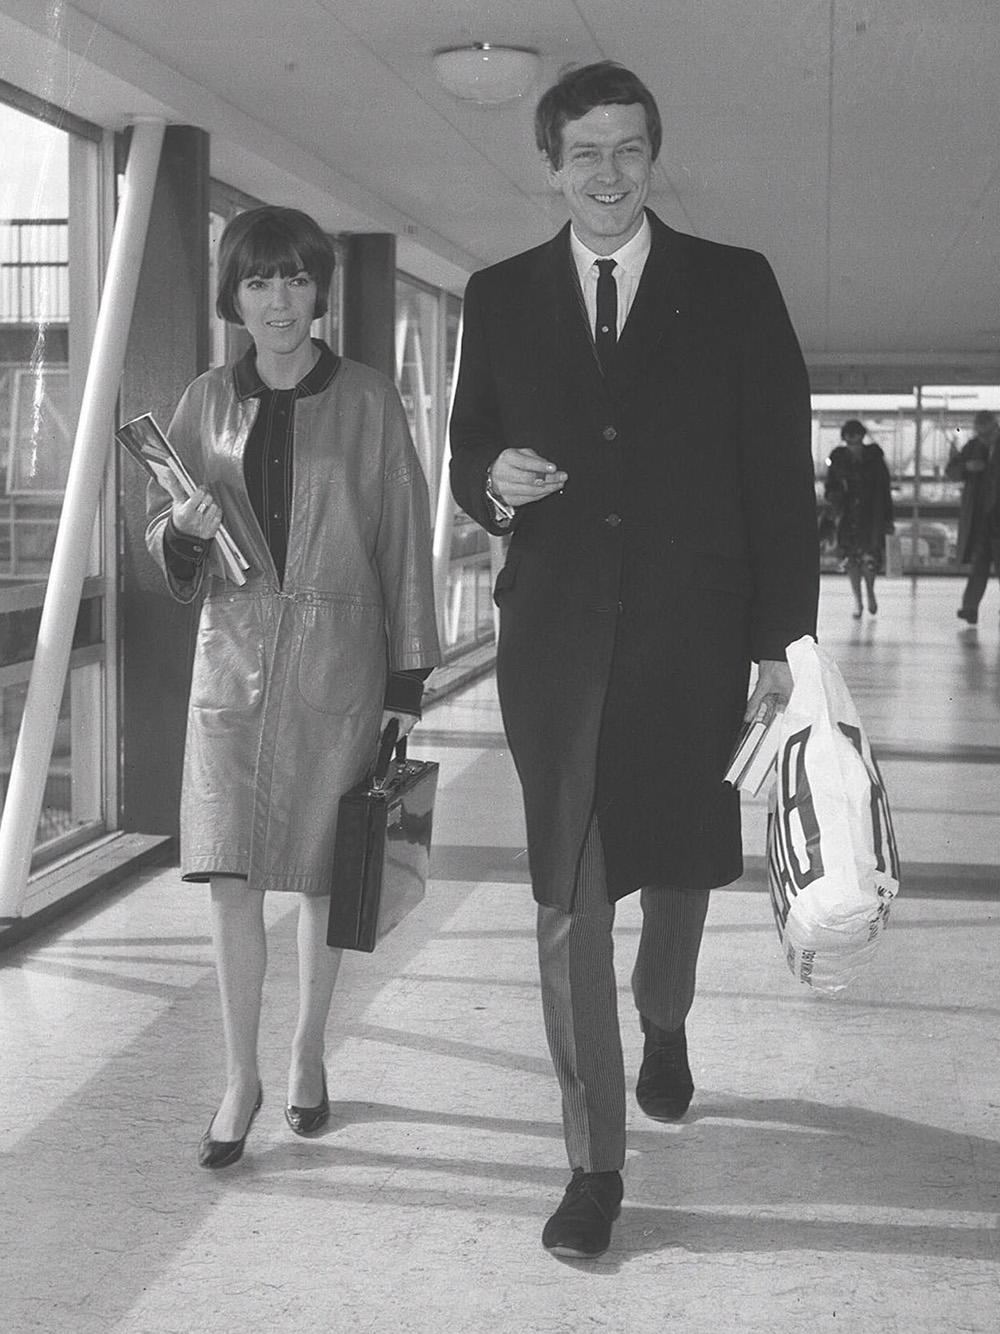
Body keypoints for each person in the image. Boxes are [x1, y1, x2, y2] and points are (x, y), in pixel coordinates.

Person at [450, 62, 819, 1258]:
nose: (607, 175)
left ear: (652, 157)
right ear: (548, 165)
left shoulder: (732, 284)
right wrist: (492, 486)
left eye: (628, 150)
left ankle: (664, 1018)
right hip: (555, 642)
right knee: (567, 896)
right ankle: (592, 1165)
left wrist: (783, 642)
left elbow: (776, 474)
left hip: (690, 639)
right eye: (584, 153)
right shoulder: (498, 294)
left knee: (675, 864)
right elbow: (470, 447)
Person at [145, 206, 440, 1168]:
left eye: (297, 280)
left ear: (321, 291)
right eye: (260, 281)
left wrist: (407, 675)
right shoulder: (203, 400)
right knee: (227, 875)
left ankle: (308, 1054)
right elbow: (169, 541)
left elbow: (402, 533)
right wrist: (181, 530)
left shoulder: (366, 400)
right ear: (234, 295)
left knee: (320, 871)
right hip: (230, 660)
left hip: (335, 662)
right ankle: (241, 1078)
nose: (279, 301)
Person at [823, 419, 895, 617]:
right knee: (853, 559)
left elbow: (884, 488)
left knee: (866, 558)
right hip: (853, 517)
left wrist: (887, 519)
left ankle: (868, 594)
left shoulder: (873, 460)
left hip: (868, 516)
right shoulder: (841, 461)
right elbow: (830, 489)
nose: (852, 442)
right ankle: (859, 599)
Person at [946, 409, 1000, 625]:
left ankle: (970, 607)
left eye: (987, 435)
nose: (984, 440)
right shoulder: (973, 447)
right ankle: (970, 608)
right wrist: (967, 467)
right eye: (980, 435)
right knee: (978, 565)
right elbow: (951, 470)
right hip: (980, 519)